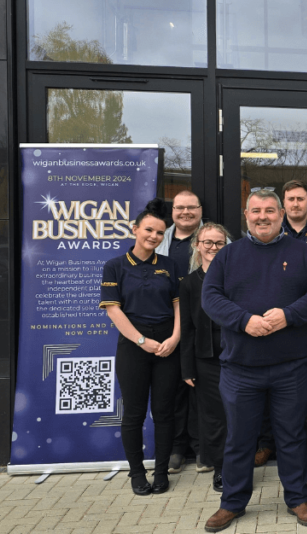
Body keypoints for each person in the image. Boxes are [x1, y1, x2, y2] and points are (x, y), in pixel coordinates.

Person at [201, 189, 307, 532]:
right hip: (240, 369)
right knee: (240, 439)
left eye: (270, 211)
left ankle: (297, 498)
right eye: (256, 211)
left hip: (291, 367)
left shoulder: (303, 253)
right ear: (246, 216)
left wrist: (289, 315)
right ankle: (232, 503)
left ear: (281, 214)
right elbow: (210, 296)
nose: (263, 217)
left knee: (291, 436)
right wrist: (245, 320)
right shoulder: (228, 255)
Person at [99, 199, 182, 496]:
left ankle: (161, 473)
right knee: (133, 414)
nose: (154, 237)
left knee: (164, 412)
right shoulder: (115, 266)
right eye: (149, 230)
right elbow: (113, 311)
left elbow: (177, 304)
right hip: (134, 345)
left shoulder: (169, 266)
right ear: (135, 229)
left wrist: (174, 338)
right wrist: (142, 341)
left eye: (160, 233)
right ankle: (137, 473)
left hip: (167, 347)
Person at [255, 180, 307, 466]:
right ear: (283, 205)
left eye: (300, 199)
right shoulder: (271, 232)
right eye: (291, 199)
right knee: (271, 390)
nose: (296, 204)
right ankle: (267, 444)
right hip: (277, 325)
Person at [158, 190, 214, 475]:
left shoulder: (214, 240)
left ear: (200, 209)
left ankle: (203, 447)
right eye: (180, 208)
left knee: (200, 392)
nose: (185, 212)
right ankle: (177, 449)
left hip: (201, 328)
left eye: (191, 207)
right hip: (166, 327)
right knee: (174, 391)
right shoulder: (161, 242)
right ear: (173, 211)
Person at [179, 222, 232, 493]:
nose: (213, 247)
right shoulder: (188, 283)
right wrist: (187, 367)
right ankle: (221, 469)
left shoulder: (236, 277)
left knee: (239, 414)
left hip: (236, 355)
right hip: (205, 359)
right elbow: (186, 328)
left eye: (219, 243)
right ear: (197, 246)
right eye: (207, 242)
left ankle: (239, 466)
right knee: (213, 417)